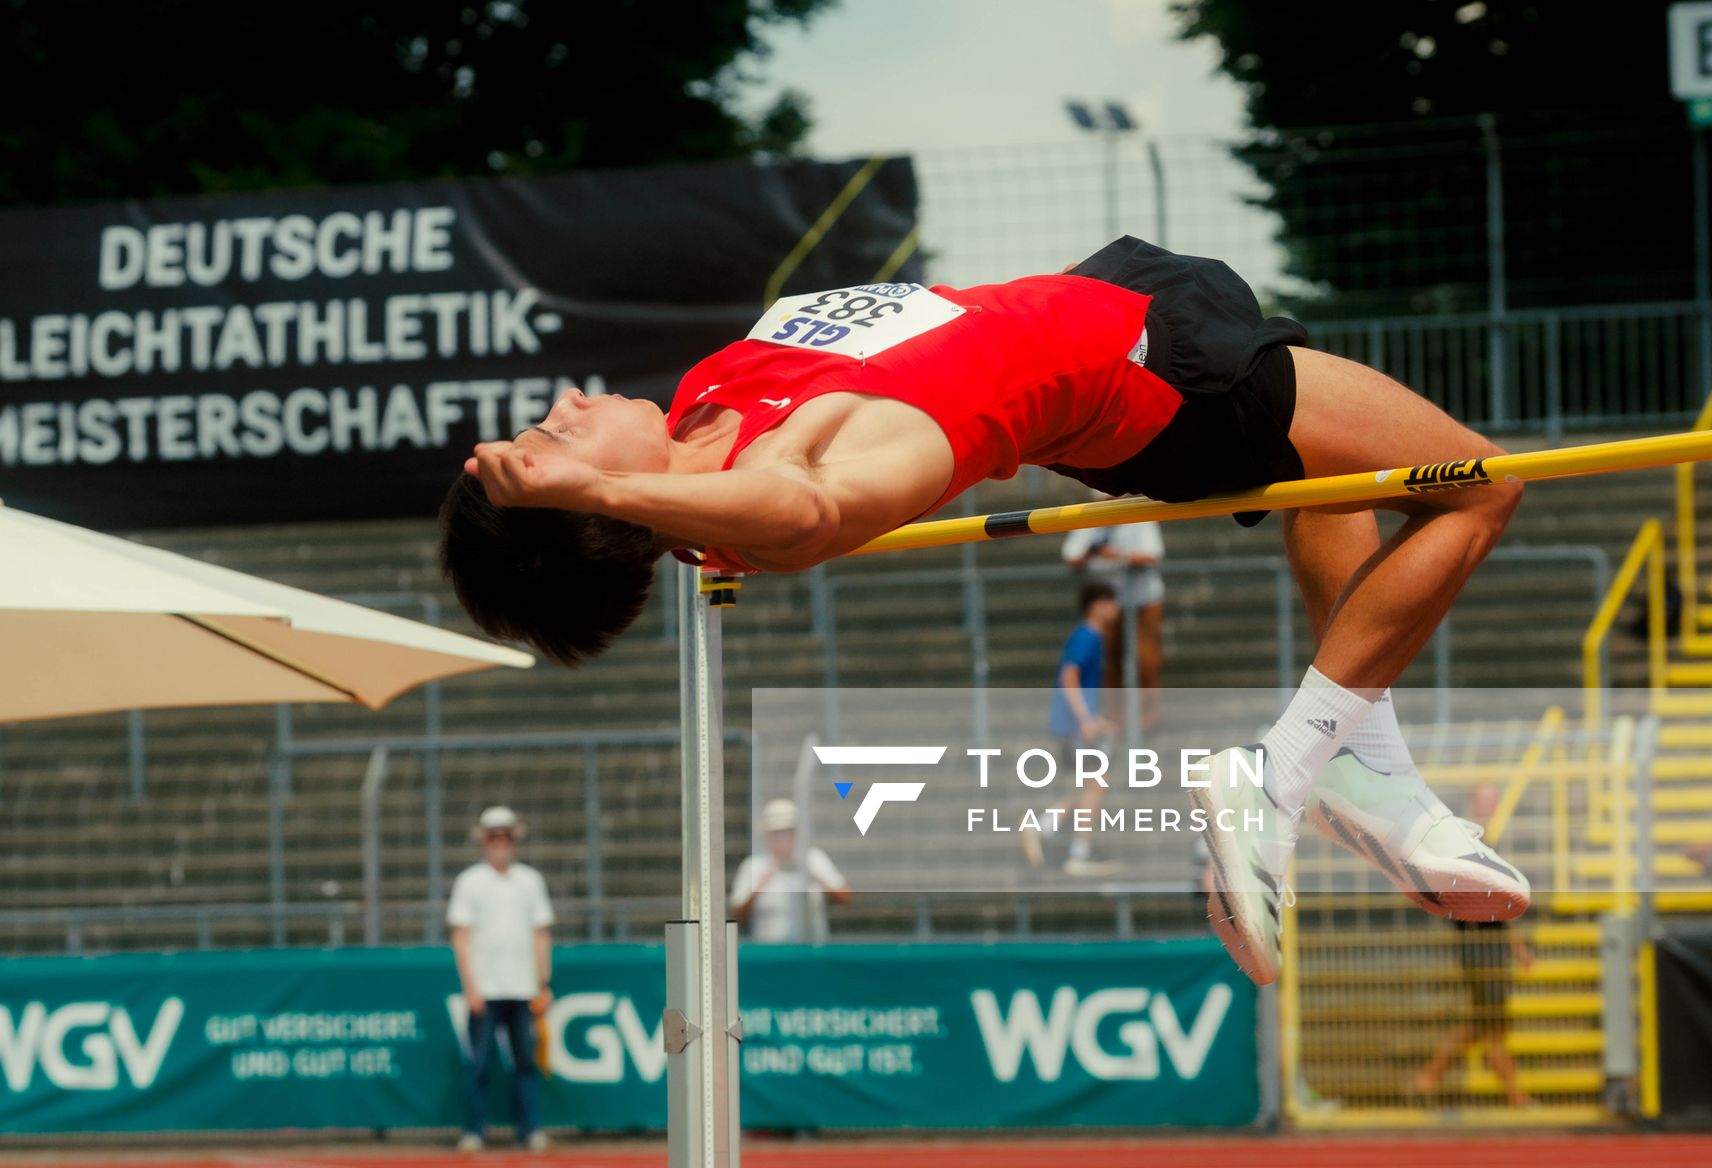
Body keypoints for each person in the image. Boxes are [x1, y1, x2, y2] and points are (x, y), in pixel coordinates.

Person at [441, 235, 1530, 984]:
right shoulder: (778, 488)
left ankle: (1366, 773)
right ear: (589, 506)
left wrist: (592, 481)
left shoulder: (703, 408)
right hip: (1151, 376)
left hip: (1110, 301)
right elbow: (804, 509)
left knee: (1334, 478)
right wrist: (594, 488)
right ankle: (1286, 775)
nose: (568, 405)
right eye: (555, 442)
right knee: (1480, 483)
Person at [1412, 784, 1535, 1108]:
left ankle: (1433, 1076)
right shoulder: (1463, 847)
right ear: (1471, 805)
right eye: (1484, 802)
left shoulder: (1482, 846)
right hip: (1479, 949)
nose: (1489, 809)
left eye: (1492, 802)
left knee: (1485, 1023)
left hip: (1491, 947)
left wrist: (1516, 946)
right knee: (1488, 1025)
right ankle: (1513, 1094)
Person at [447, 805, 554, 1154]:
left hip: (522, 987)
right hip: (486, 988)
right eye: (493, 836)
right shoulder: (469, 881)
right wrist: (471, 987)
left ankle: (530, 1130)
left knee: (525, 1062)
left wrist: (543, 982)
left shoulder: (530, 880)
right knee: (477, 1063)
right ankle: (474, 1130)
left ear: (513, 839)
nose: (499, 842)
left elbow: (541, 934)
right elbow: (461, 937)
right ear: (484, 840)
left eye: (504, 836)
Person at [1022, 583, 1119, 875]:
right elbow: (1069, 675)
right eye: (1110, 602)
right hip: (1073, 726)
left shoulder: (1092, 637)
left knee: (1092, 785)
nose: (1116, 609)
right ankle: (1071, 847)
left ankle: (1049, 829)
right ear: (1096, 605)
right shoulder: (1087, 636)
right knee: (1096, 783)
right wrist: (1085, 720)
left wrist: (1094, 718)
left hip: (1074, 724)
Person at [1061, 509, 1165, 730]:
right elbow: (1071, 555)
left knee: (1146, 660)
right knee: (1108, 663)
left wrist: (1116, 555)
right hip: (1110, 603)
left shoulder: (1139, 515)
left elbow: (1153, 554)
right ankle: (1115, 717)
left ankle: (1148, 715)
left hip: (1142, 599)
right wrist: (1092, 553)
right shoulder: (1088, 516)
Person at [729, 797, 852, 942]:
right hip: (770, 954)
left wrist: (815, 875)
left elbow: (845, 897)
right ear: (766, 836)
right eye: (776, 834)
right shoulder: (753, 866)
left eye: (788, 832)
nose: (783, 839)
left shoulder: (814, 858)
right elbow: (736, 914)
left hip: (813, 952)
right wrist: (759, 887)